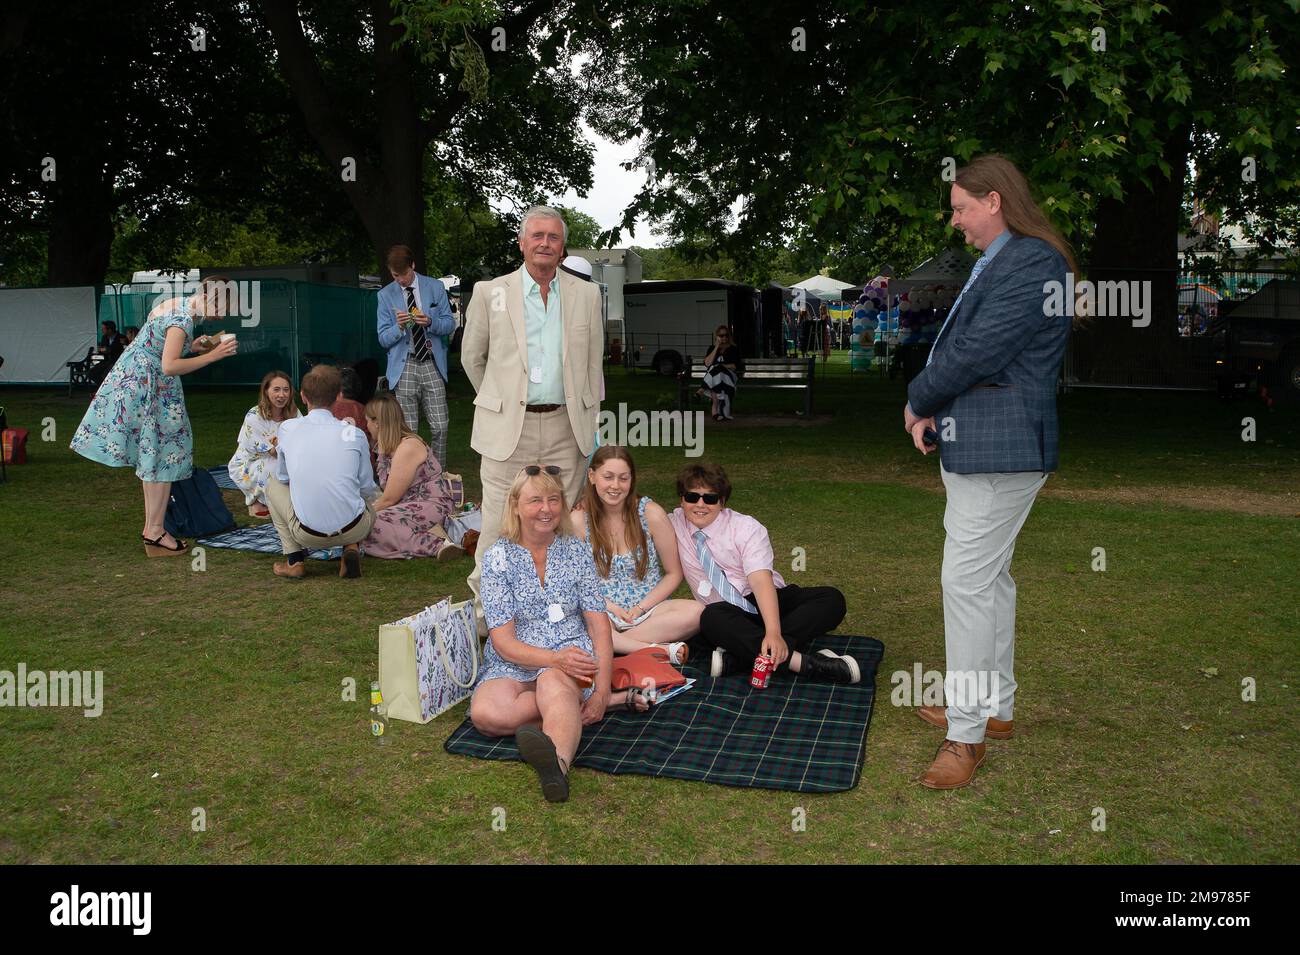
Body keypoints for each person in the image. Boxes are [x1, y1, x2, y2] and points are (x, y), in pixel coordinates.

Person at [903, 154, 1076, 790]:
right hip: (984, 443)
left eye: (961, 208)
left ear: (995, 200)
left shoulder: (1032, 260)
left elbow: (979, 351)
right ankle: (993, 709)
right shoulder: (1004, 260)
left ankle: (967, 733)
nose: (956, 222)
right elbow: (973, 354)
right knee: (990, 581)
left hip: (1001, 449)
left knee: (966, 585)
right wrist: (936, 411)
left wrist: (919, 397)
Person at [461, 205, 603, 629]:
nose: (545, 243)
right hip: (508, 430)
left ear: (562, 248)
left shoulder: (587, 295)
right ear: (522, 244)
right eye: (537, 236)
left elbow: (594, 365)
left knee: (555, 525)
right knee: (496, 526)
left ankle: (551, 618)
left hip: (566, 426)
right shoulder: (491, 292)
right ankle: (487, 624)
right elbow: (473, 358)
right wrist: (503, 400)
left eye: (553, 238)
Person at [468, 465, 645, 803]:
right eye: (535, 500)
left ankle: (557, 768)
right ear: (516, 505)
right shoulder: (498, 559)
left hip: (569, 653)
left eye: (553, 500)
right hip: (517, 657)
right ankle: (572, 712)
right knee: (486, 715)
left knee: (553, 683)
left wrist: (602, 685)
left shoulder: (576, 551)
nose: (546, 509)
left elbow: (598, 624)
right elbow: (503, 641)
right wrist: (553, 659)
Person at [70, 278, 239, 556]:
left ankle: (155, 530)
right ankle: (155, 532)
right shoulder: (183, 319)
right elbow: (169, 365)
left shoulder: (173, 305)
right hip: (152, 387)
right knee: (166, 454)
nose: (224, 314)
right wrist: (213, 356)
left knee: (154, 454)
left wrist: (194, 347)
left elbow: (157, 342)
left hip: (136, 382)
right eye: (225, 307)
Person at [668, 462, 857, 683]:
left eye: (709, 498)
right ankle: (806, 664)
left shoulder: (746, 527)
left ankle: (741, 656)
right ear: (682, 499)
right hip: (727, 614)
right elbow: (634, 511)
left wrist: (774, 632)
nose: (700, 504)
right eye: (692, 497)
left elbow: (760, 580)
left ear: (722, 501)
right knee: (709, 617)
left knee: (831, 598)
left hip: (768, 599)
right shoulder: (673, 524)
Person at [571, 447, 702, 663]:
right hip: (602, 608)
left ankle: (615, 648)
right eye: (608, 477)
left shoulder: (651, 514)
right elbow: (575, 581)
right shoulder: (578, 521)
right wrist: (609, 607)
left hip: (648, 610)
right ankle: (657, 651)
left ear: (632, 480)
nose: (615, 486)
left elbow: (673, 573)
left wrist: (641, 607)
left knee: (697, 612)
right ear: (592, 476)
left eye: (623, 478)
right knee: (590, 622)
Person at [264, 364, 378, 580]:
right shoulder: (353, 434)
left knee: (271, 483)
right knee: (364, 495)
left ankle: (294, 560)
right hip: (356, 527)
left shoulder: (288, 429)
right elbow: (366, 486)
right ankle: (350, 548)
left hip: (306, 533)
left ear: (303, 396)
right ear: (338, 396)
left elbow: (283, 477)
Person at [376, 244, 457, 467]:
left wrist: (430, 322)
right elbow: (383, 338)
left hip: (431, 361)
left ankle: (437, 472)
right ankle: (412, 473)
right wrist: (399, 328)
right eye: (395, 275)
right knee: (408, 430)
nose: (400, 280)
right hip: (405, 365)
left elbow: (449, 323)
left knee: (440, 425)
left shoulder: (435, 287)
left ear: (413, 265)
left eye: (403, 274)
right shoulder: (385, 295)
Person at [361, 393, 462, 560]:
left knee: (370, 523)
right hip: (410, 505)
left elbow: (389, 499)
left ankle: (435, 545)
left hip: (430, 505)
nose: (367, 426)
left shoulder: (407, 447)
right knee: (366, 526)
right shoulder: (389, 448)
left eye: (368, 421)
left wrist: (361, 515)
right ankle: (416, 537)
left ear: (377, 423)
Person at [228, 369, 299, 518]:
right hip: (252, 460)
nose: (282, 395)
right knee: (272, 468)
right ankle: (261, 500)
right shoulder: (254, 416)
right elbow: (273, 453)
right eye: (276, 389)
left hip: (284, 456)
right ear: (266, 391)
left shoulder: (294, 413)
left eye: (286, 390)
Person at [698, 325, 740, 421]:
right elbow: (707, 363)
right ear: (717, 337)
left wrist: (722, 366)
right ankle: (716, 411)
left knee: (718, 368)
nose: (724, 337)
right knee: (717, 374)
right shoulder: (712, 348)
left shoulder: (733, 349)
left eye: (726, 335)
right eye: (721, 336)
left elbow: (735, 366)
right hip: (715, 378)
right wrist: (716, 347)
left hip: (729, 376)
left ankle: (702, 389)